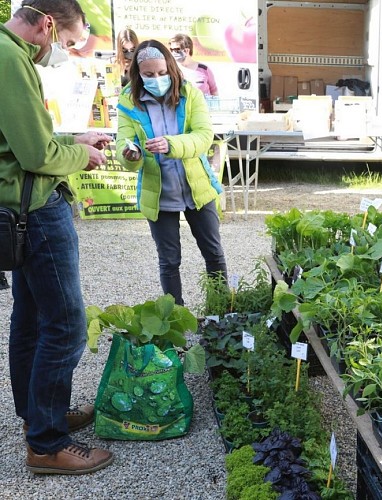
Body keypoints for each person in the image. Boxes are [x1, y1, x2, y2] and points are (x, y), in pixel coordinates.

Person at [0, 0, 114, 474]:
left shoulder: (10, 54)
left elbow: (26, 140)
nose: (63, 51)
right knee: (66, 326)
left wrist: (75, 141)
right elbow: (33, 153)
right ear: (46, 24)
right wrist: (79, 158)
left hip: (18, 206)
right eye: (66, 42)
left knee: (31, 318)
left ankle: (38, 415)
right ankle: (47, 445)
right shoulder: (9, 58)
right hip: (36, 208)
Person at [117, 40, 227, 306]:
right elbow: (124, 141)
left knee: (213, 253)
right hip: (159, 192)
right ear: (137, 74)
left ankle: (222, 312)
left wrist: (172, 144)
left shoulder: (190, 94)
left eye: (162, 73)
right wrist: (130, 154)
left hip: (197, 187)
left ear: (171, 69)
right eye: (149, 74)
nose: (157, 79)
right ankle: (176, 318)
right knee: (169, 260)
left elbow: (204, 137)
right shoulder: (128, 100)